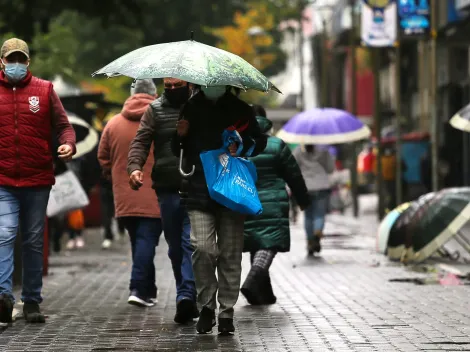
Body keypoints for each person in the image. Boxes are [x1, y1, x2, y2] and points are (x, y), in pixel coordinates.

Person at [172, 86, 267, 335]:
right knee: (202, 248)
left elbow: (259, 142)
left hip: (231, 190)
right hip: (199, 187)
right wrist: (180, 135)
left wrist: (242, 146)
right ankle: (206, 306)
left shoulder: (241, 109)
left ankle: (226, 311)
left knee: (230, 253)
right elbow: (177, 149)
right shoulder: (191, 107)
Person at [0, 38, 76, 324]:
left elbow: (64, 126)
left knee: (33, 241)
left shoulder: (44, 90)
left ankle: (31, 300)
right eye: (11, 59)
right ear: (2, 62)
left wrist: (68, 145)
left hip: (37, 179)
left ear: (28, 62)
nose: (15, 64)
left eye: (20, 59)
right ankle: (4, 297)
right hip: (3, 179)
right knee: (4, 235)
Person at [127, 78, 197, 322]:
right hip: (167, 187)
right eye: (167, 86)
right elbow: (141, 141)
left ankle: (186, 295)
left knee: (191, 243)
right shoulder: (154, 109)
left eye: (177, 85)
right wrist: (135, 167)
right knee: (175, 247)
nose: (172, 90)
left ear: (188, 84)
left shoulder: (200, 106)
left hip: (196, 185)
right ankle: (185, 291)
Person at [99, 79, 162, 307]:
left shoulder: (113, 124)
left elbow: (103, 157)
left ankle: (148, 290)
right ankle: (137, 288)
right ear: (154, 94)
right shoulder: (161, 121)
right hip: (154, 193)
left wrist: (113, 175)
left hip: (124, 194)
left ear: (132, 94)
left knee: (139, 241)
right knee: (146, 241)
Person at [242, 105, 309, 305]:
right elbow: (294, 175)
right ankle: (253, 278)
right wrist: (303, 200)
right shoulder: (276, 144)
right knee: (269, 243)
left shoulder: (238, 145)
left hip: (247, 201)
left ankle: (264, 293)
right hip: (274, 201)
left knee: (257, 240)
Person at [293, 144, 334, 255]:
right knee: (319, 214)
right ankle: (317, 234)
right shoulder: (324, 150)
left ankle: (310, 241)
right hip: (321, 186)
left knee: (308, 216)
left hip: (305, 187)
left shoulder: (298, 151)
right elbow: (330, 169)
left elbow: (292, 167)